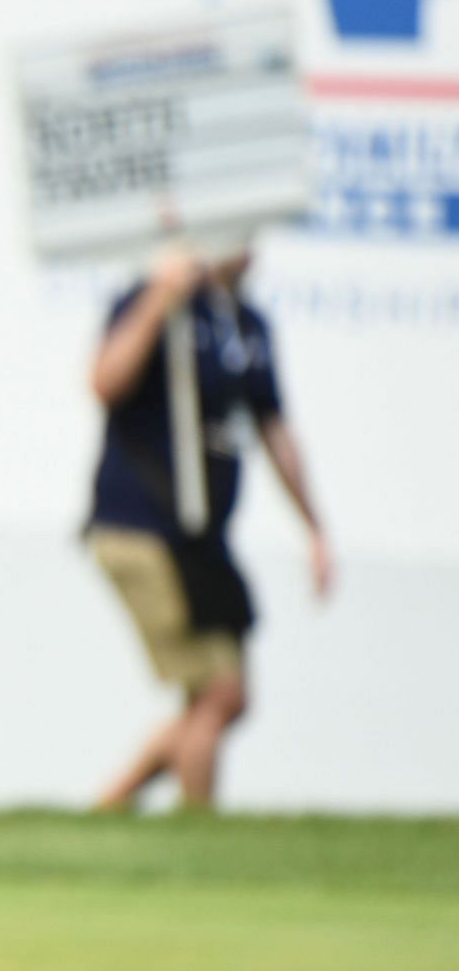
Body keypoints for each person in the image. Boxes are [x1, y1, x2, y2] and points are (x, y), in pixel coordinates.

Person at [86, 244, 332, 810]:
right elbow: (104, 381)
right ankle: (198, 828)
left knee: (223, 699)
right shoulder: (152, 301)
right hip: (141, 527)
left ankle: (111, 805)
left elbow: (274, 428)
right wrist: (160, 297)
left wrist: (314, 528)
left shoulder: (247, 326)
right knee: (220, 694)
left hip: (202, 538)